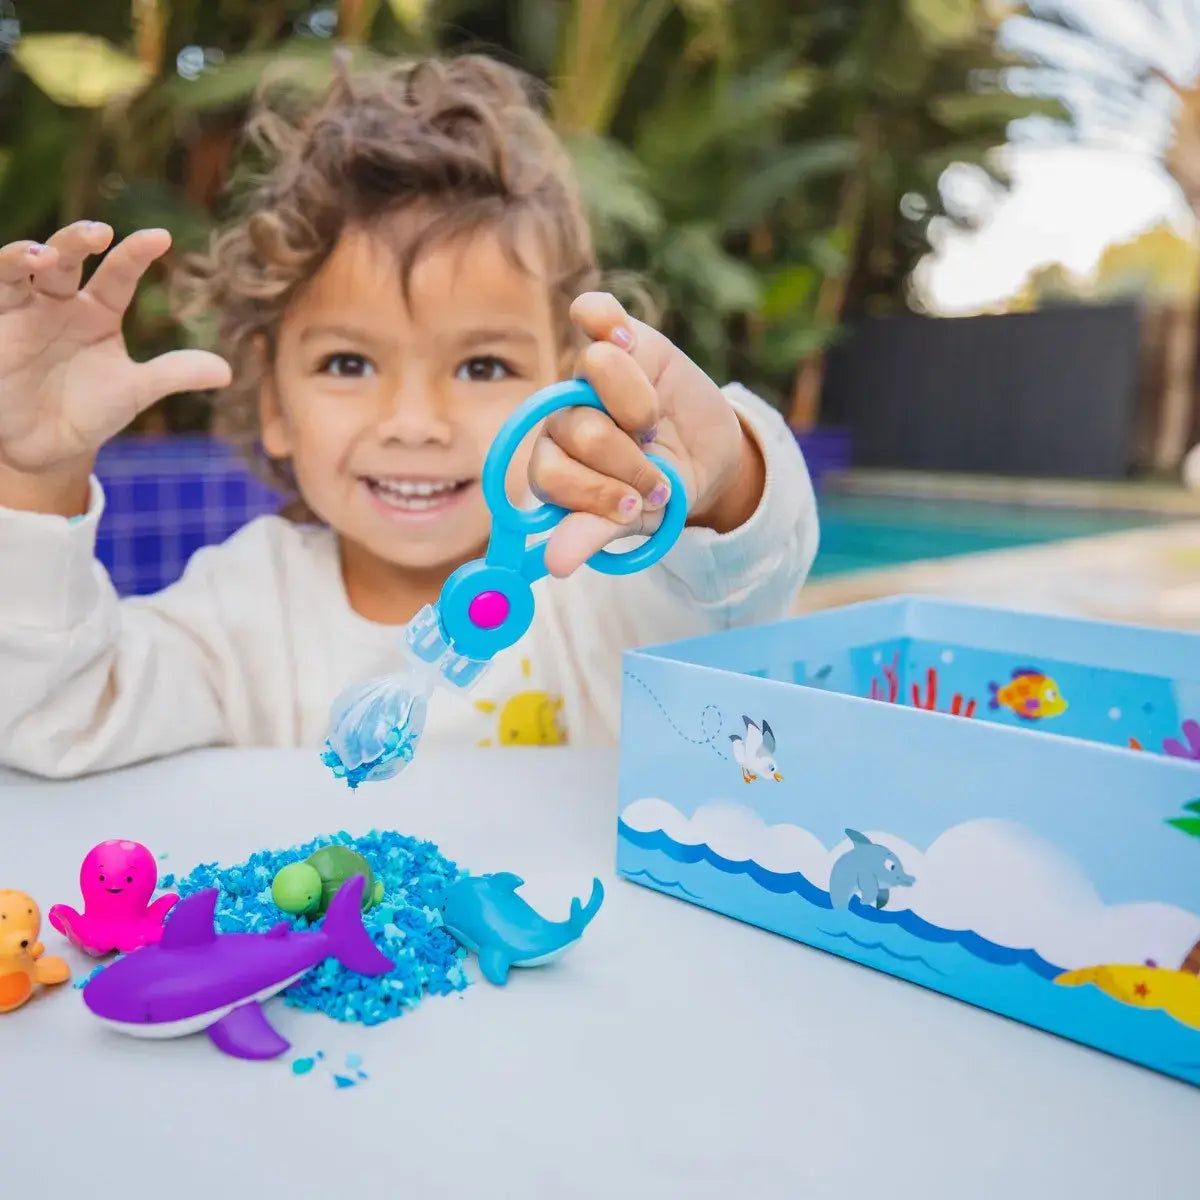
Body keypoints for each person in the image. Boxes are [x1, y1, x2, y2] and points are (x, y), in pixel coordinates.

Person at [0, 53, 819, 780]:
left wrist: (721, 485)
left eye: (482, 366)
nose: (415, 422)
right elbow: (59, 718)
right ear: (274, 401)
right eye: (349, 364)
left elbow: (737, 596)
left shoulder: (604, 586)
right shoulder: (242, 609)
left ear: (568, 390)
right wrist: (36, 477)